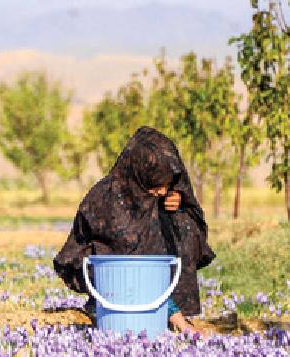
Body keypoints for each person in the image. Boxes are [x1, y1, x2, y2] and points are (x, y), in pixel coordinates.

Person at [53, 126, 215, 335]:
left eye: (168, 184)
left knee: (183, 225)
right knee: (125, 249)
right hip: (113, 282)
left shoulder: (163, 197)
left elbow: (185, 222)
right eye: (156, 185)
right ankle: (106, 307)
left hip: (152, 284)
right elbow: (134, 265)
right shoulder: (106, 201)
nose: (163, 191)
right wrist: (180, 324)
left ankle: (168, 311)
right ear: (138, 174)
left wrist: (180, 201)